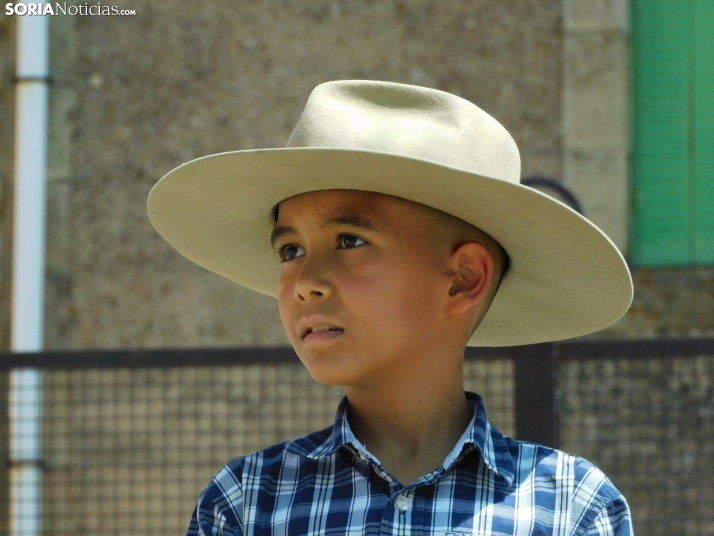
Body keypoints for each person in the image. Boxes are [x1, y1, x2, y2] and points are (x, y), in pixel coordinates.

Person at [148, 80, 634, 535]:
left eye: (349, 240)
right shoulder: (247, 503)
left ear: (464, 279)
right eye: (290, 250)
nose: (306, 284)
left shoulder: (570, 507)